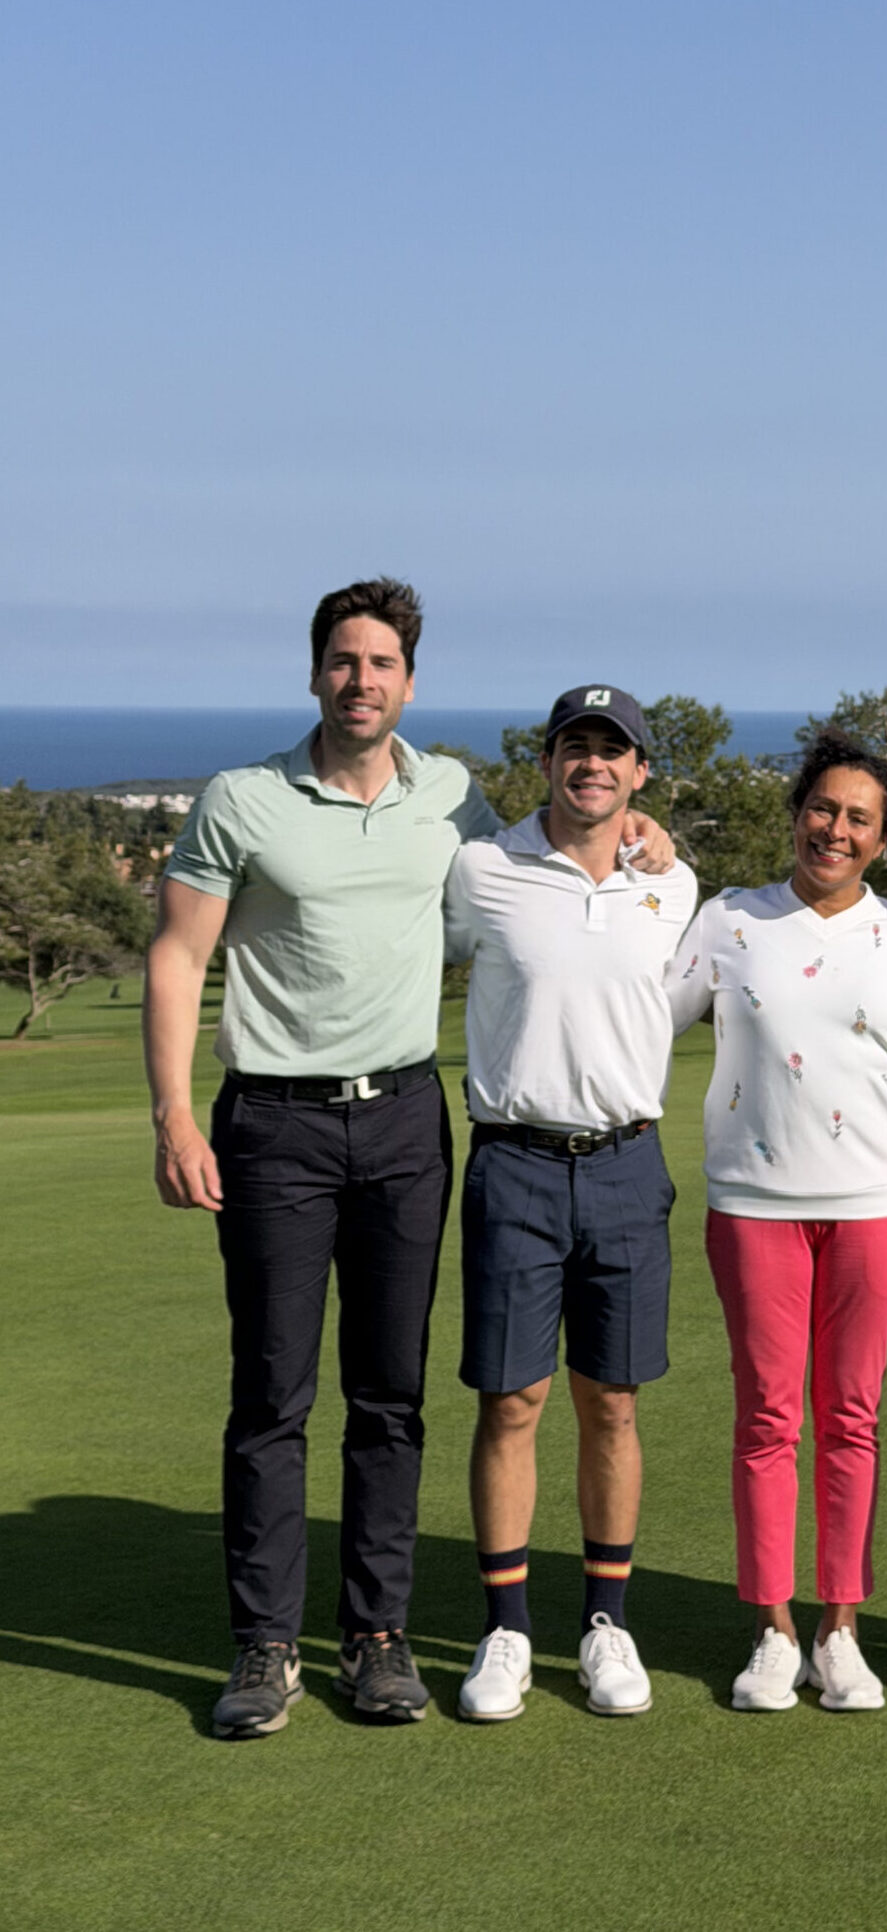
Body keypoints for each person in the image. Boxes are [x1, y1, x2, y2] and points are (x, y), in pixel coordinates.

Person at [144, 588, 670, 1738]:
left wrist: (646, 833)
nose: (361, 680)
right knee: (272, 1396)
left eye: (382, 663)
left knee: (389, 1397)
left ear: (409, 683)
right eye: (343, 661)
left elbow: (563, 848)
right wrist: (174, 1121)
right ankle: (266, 1645)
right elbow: (180, 955)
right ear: (315, 674)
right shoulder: (243, 799)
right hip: (272, 1123)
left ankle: (378, 1637)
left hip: (401, 1123)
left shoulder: (453, 802)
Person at [665, 731, 887, 1712]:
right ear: (795, 814)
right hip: (752, 1206)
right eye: (821, 808)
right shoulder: (729, 920)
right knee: (767, 1417)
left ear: (881, 839)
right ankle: (772, 1630)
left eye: (856, 818)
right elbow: (644, 1020)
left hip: (872, 1208)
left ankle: (839, 1630)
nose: (834, 828)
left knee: (850, 1419)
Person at [446, 686, 696, 1723]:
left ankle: (606, 1622)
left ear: (639, 773)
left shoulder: (671, 884)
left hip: (628, 1165)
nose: (591, 764)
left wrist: (661, 845)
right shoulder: (483, 870)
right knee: (511, 1402)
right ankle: (506, 1629)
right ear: (546, 761)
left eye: (613, 751)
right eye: (574, 747)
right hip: (513, 1164)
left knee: (614, 1403)